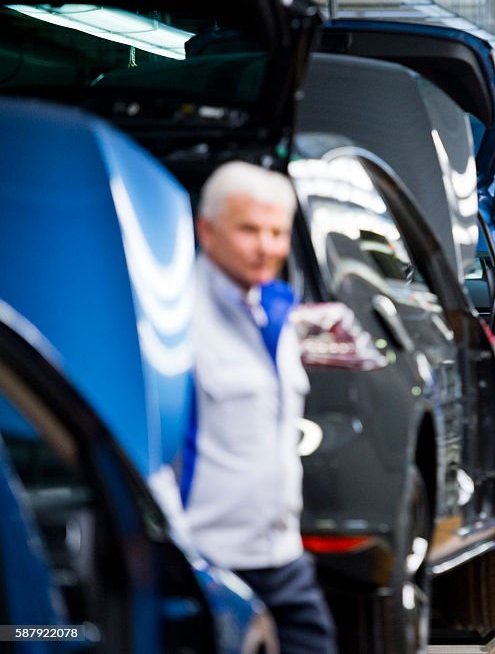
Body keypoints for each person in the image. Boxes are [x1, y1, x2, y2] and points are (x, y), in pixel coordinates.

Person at [182, 161, 337, 654]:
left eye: (277, 232)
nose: (266, 247)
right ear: (206, 231)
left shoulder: (274, 312)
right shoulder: (176, 318)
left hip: (281, 556)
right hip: (209, 561)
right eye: (249, 229)